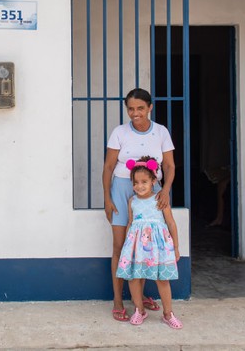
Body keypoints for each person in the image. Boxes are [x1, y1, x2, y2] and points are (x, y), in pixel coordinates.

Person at [102, 88, 176, 322]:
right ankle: (117, 300)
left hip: (152, 190)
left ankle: (139, 297)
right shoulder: (119, 132)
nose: (135, 113)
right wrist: (107, 198)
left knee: (145, 244)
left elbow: (170, 167)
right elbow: (108, 167)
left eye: (140, 108)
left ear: (150, 107)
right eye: (131, 109)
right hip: (123, 188)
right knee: (120, 246)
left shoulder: (161, 132)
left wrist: (164, 190)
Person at [116, 157, 182, 328]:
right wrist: (126, 247)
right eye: (135, 182)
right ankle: (139, 310)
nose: (139, 186)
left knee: (162, 279)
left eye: (144, 181)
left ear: (154, 181)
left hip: (159, 248)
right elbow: (131, 223)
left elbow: (171, 223)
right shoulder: (132, 201)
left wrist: (175, 247)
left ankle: (168, 314)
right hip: (136, 247)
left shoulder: (160, 199)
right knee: (134, 278)